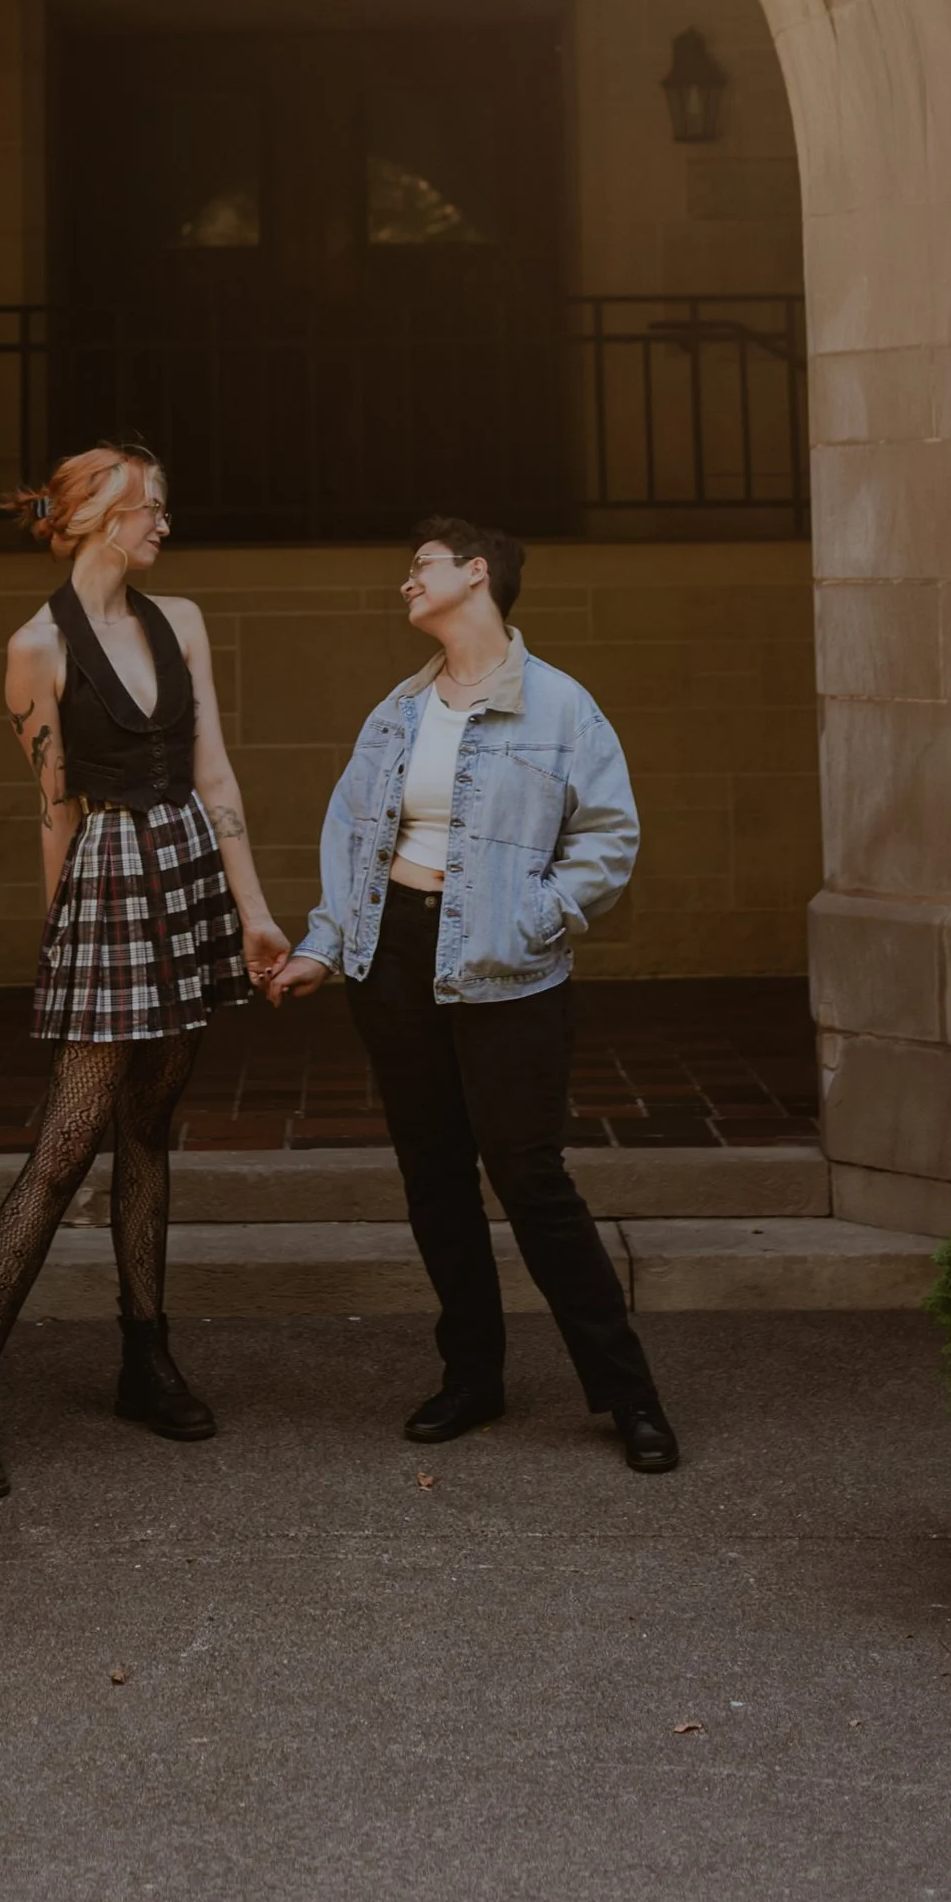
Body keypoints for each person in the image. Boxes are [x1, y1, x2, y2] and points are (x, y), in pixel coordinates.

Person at [269, 516, 678, 1472]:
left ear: (476, 574)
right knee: (436, 1176)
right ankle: (472, 1378)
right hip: (395, 960)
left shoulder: (563, 707)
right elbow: (351, 839)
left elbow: (610, 837)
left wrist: (537, 916)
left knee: (532, 1180)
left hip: (508, 967)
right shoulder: (397, 713)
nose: (406, 582)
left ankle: (629, 1395)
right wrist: (323, 948)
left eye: (422, 566)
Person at [0, 440, 291, 1500]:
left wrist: (254, 912)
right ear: (96, 514)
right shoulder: (35, 647)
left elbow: (213, 766)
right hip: (107, 880)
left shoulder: (180, 623)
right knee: (64, 1146)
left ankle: (146, 1357)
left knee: (149, 1126)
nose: (163, 526)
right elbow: (53, 808)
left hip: (184, 871)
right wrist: (62, 943)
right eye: (149, 509)